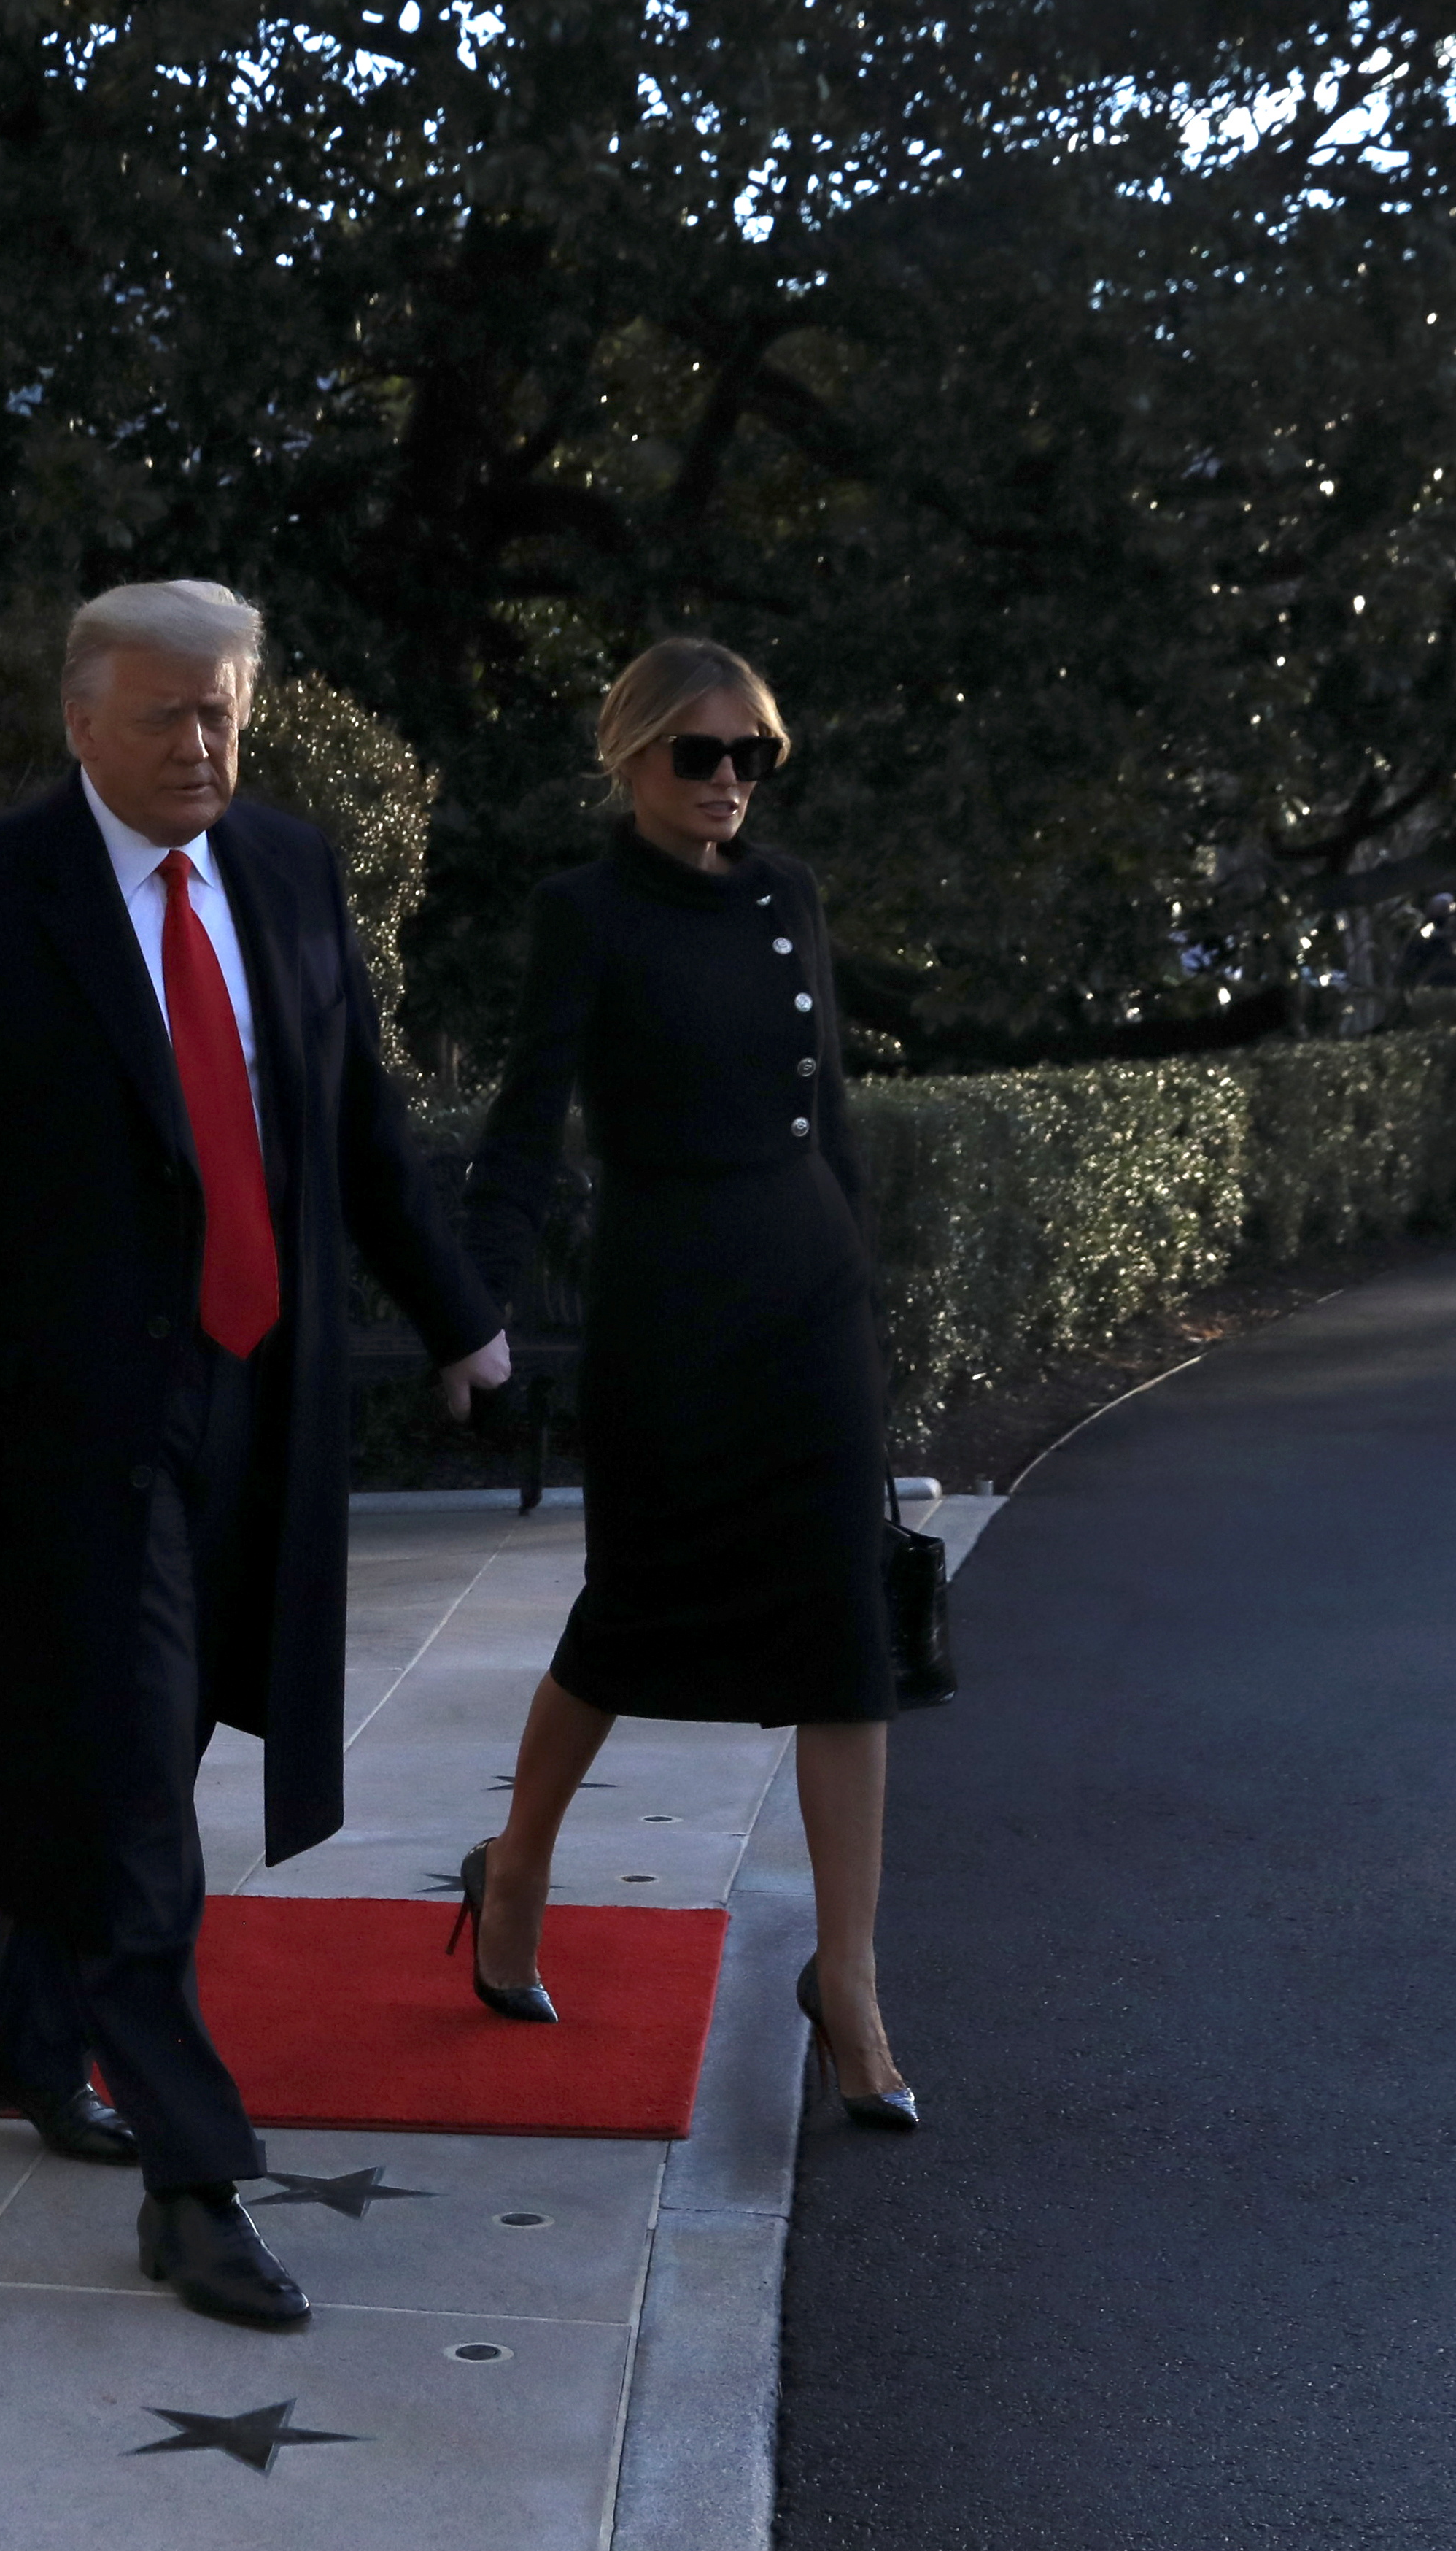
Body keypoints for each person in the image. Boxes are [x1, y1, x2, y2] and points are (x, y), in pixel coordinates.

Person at [0, 579, 511, 2327]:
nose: (199, 744)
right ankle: (192, 2178)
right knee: (137, 1778)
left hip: (252, 1402)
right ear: (77, 716)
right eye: (164, 713)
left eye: (222, 712)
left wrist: (456, 1313)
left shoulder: (286, 874)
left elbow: (353, 1114)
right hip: (64, 1430)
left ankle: (17, 2032)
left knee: (139, 1739)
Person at [452, 637, 935, 2131]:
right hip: (670, 1303)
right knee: (632, 1612)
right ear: (631, 758)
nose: (727, 782)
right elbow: (530, 1123)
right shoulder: (581, 914)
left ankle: (846, 1979)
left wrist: (867, 1310)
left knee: (845, 1626)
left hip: (807, 1292)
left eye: (752, 757)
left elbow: (831, 1115)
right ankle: (518, 1860)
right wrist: (473, 1300)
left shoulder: (788, 897)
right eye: (698, 754)